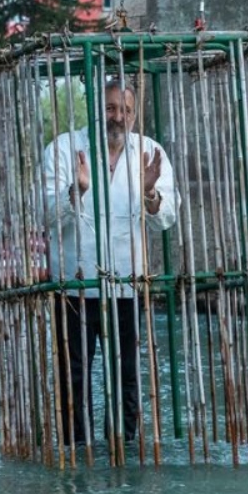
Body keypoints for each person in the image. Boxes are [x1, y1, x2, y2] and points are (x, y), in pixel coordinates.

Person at [41, 78, 178, 448]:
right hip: (75, 283)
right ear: (94, 109)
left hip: (127, 283)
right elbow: (46, 214)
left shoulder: (149, 151)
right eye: (110, 108)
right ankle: (77, 449)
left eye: (126, 110)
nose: (118, 117)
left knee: (127, 376)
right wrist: (78, 192)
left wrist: (150, 193)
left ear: (135, 114)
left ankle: (123, 449)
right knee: (75, 376)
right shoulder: (64, 149)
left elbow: (166, 217)